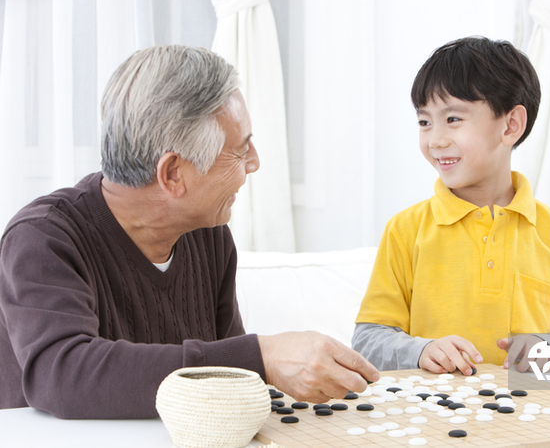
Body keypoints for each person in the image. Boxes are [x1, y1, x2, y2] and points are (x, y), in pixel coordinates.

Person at [0, 45, 379, 419]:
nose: (255, 162)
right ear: (173, 174)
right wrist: (260, 356)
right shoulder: (42, 239)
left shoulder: (207, 232)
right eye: (239, 149)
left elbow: (224, 379)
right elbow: (63, 375)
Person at [352, 37, 550, 376]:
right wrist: (421, 350)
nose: (435, 140)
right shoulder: (405, 230)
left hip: (526, 416)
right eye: (424, 122)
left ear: (510, 125)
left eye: (453, 119)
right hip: (431, 416)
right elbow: (367, 341)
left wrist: (547, 349)